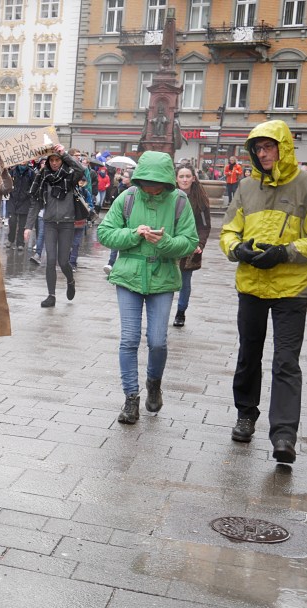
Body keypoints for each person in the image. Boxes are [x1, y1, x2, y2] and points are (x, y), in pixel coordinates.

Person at [219, 120, 307, 464]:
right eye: (258, 148)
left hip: (292, 288)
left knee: (286, 362)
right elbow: (229, 231)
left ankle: (284, 435)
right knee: (248, 355)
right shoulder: (246, 186)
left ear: (283, 148)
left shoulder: (305, 184)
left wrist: (285, 252)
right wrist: (237, 249)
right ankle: (246, 413)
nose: (262, 153)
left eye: (268, 147)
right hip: (252, 285)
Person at [98, 151, 198, 424]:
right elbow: (104, 233)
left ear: (167, 181)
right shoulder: (128, 197)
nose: (151, 188)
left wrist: (163, 243)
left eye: (157, 183)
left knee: (157, 340)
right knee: (129, 340)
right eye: (146, 182)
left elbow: (190, 240)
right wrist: (133, 234)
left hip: (162, 276)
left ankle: (154, 382)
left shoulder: (179, 201)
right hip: (129, 276)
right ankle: (131, 398)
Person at [26, 144, 84, 307]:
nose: (54, 163)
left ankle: (70, 281)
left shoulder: (70, 177)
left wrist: (64, 153)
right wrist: (28, 226)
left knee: (63, 261)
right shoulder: (43, 177)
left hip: (67, 224)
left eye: (57, 159)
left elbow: (81, 169)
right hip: (49, 223)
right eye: (51, 160)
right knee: (50, 260)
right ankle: (51, 296)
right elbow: (35, 204)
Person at [173, 164, 211, 328]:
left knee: (185, 282)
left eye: (188, 176)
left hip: (190, 245)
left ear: (193, 178)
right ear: (176, 178)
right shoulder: (169, 195)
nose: (184, 179)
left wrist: (200, 244)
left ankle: (181, 312)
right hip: (171, 244)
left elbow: (204, 226)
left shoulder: (200, 199)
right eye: (181, 176)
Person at [7, 162, 35, 250]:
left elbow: (33, 186)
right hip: (13, 200)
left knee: (22, 224)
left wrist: (28, 194)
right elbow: (7, 183)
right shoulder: (12, 171)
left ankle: (20, 243)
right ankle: (10, 239)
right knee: (12, 222)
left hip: (25, 201)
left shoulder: (31, 172)